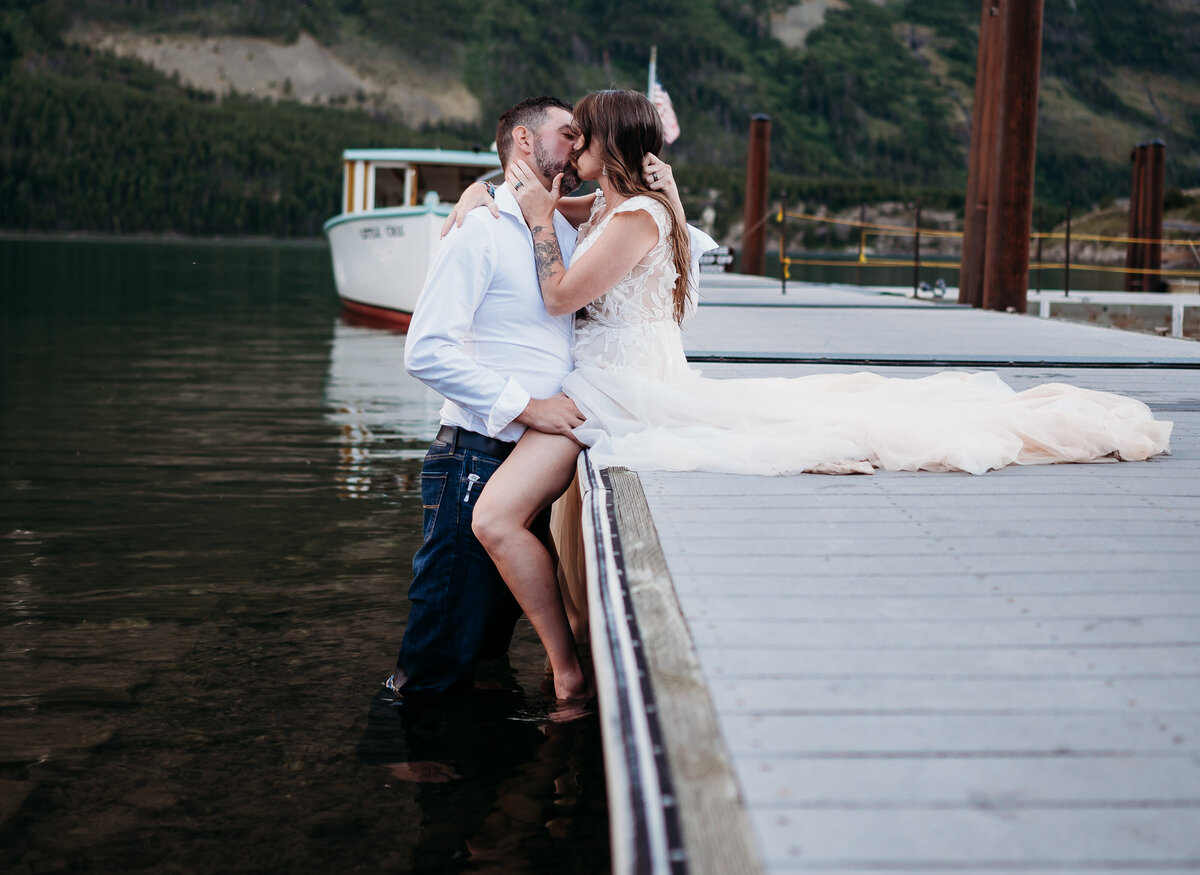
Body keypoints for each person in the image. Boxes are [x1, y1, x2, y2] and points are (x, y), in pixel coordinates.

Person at [464, 91, 1171, 604]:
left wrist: (531, 225)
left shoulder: (634, 216)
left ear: (606, 147)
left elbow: (559, 296)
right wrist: (478, 198)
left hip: (624, 378)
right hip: (616, 367)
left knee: (783, 429)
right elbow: (550, 207)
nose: (572, 152)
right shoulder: (617, 205)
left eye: (580, 140)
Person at [382, 94, 591, 729]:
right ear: (525, 144)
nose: (578, 146)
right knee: (436, 656)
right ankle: (408, 770)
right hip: (473, 459)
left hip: (530, 466)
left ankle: (471, 787)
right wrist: (529, 408)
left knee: (484, 653)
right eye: (567, 134)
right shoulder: (478, 231)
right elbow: (426, 351)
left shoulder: (563, 229)